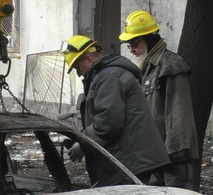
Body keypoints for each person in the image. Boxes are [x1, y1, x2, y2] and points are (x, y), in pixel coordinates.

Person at [60, 35, 170, 186]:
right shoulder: (105, 75)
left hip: (131, 162)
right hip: (129, 160)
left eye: (77, 67)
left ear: (89, 58)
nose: (78, 74)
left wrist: (83, 144)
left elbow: (108, 123)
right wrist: (79, 138)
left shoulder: (108, 77)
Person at [120, 10, 200, 191]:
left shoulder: (170, 64)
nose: (131, 49)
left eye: (134, 43)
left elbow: (179, 112)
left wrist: (176, 152)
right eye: (128, 45)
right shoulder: (146, 66)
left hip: (173, 156)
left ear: (149, 38)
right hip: (155, 154)